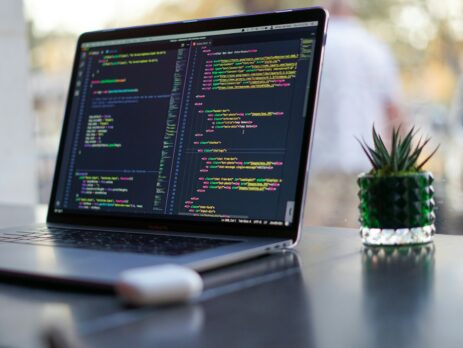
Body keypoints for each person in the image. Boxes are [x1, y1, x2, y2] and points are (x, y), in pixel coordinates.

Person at [305, 0, 403, 227]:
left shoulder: (314, 43)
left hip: (319, 163)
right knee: (356, 242)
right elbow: (394, 112)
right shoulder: (375, 47)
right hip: (366, 163)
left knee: (314, 246)